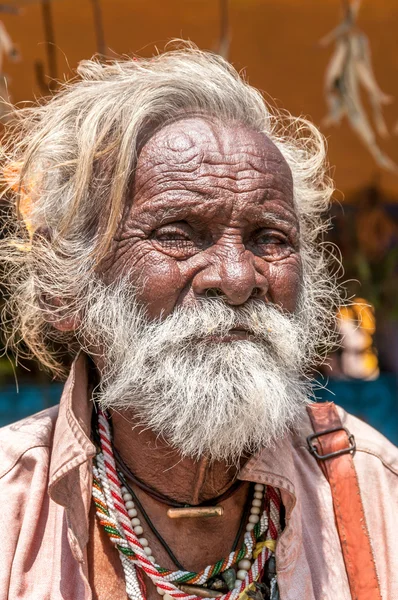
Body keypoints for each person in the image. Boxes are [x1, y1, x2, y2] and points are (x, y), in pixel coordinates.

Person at [0, 45, 396, 600]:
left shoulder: (377, 491)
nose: (238, 278)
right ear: (64, 291)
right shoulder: (11, 508)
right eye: (178, 233)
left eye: (270, 239)